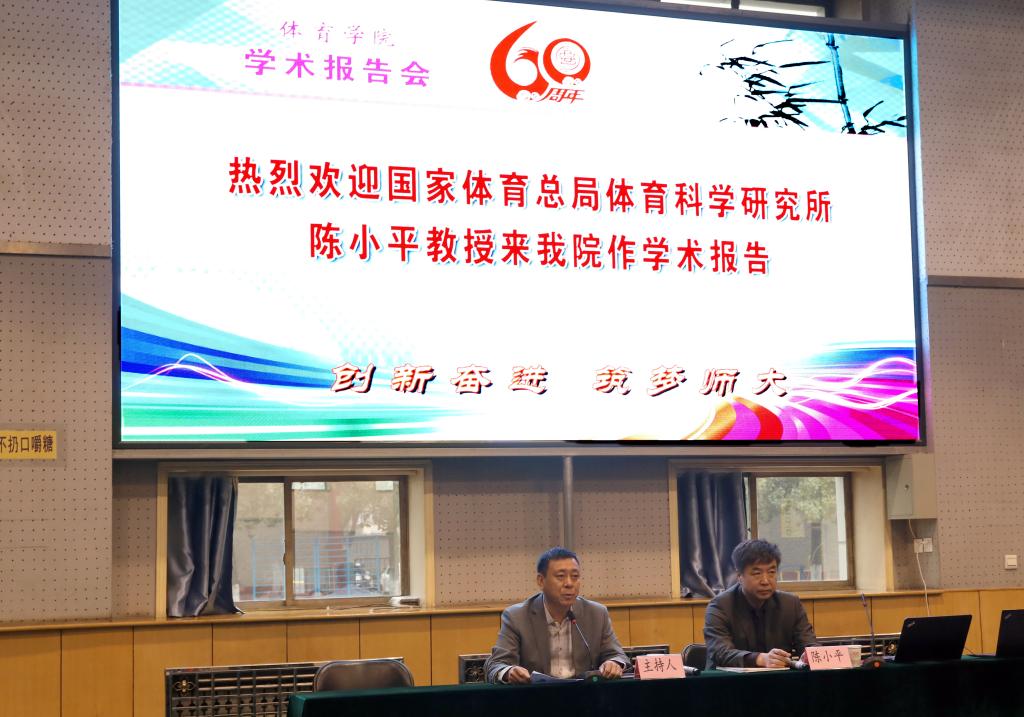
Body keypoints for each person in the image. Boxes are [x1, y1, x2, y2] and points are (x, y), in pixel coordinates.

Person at [484, 547, 629, 683]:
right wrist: (508, 671)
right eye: (561, 576)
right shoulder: (517, 617)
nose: (569, 583)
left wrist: (613, 663)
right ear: (541, 581)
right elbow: (496, 664)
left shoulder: (596, 613)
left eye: (575, 576)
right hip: (535, 696)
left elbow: (617, 655)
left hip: (585, 695)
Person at [703, 538, 818, 669]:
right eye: (757, 573)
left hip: (779, 679)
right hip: (729, 679)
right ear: (739, 576)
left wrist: (810, 655)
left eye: (771, 572)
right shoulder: (720, 606)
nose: (765, 581)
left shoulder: (790, 604)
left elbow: (809, 645)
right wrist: (760, 659)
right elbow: (720, 652)